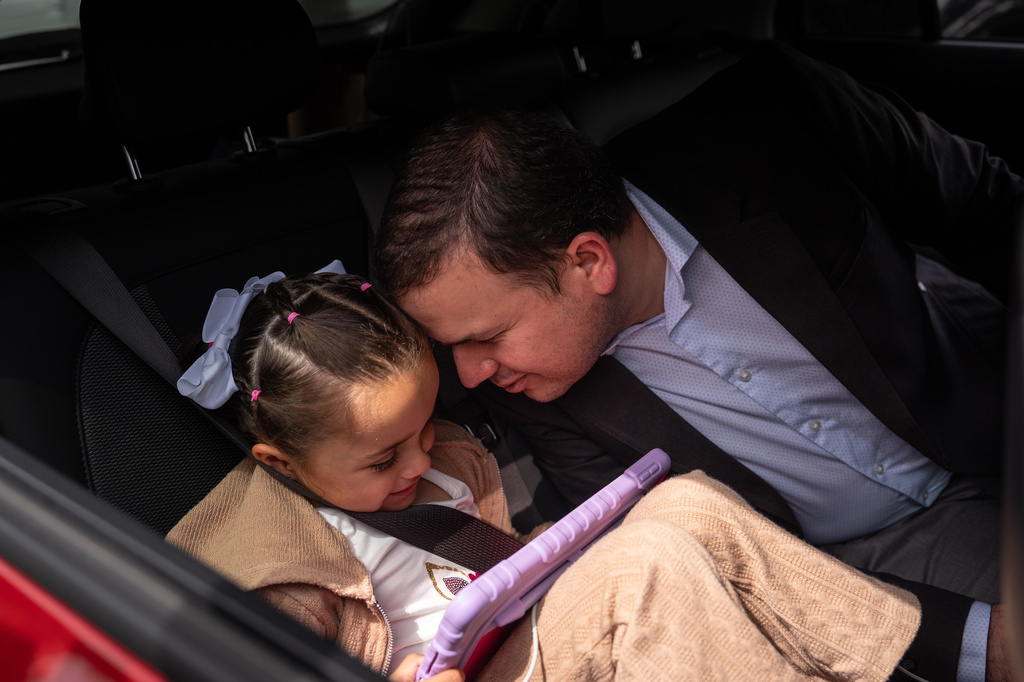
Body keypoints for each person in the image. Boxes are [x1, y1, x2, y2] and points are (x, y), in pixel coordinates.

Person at [373, 41, 1022, 681]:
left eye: (488, 335)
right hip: (860, 570)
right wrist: (974, 644)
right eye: (452, 345)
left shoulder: (775, 123)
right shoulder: (528, 387)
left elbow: (992, 213)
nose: (469, 374)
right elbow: (745, 578)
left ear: (588, 262)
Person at [166, 263, 922, 681]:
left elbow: (490, 562)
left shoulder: (446, 463)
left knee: (686, 504)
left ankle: (923, 654)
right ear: (279, 463)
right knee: (647, 564)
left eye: (426, 428)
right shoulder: (279, 567)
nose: (421, 460)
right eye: (384, 457)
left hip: (520, 640)